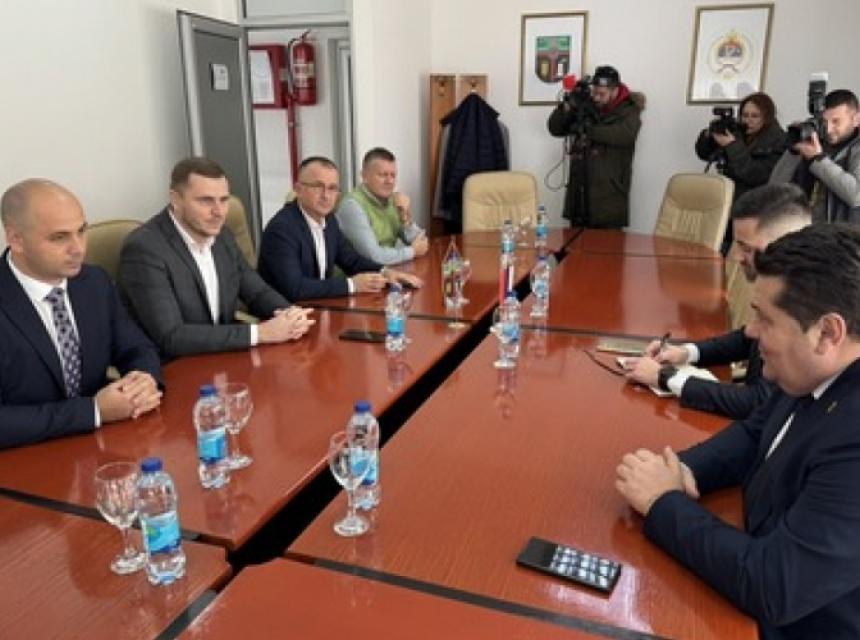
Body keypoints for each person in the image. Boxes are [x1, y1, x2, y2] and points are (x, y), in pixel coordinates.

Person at [616, 223, 860, 639]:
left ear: (826, 333)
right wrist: (683, 471)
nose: (749, 331)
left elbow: (773, 584)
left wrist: (662, 502)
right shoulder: (813, 372)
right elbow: (755, 433)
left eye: (764, 318)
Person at [623, 184, 811, 420]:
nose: (736, 257)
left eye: (746, 248)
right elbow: (748, 339)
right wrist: (686, 353)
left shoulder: (810, 303)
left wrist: (666, 378)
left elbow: (760, 402)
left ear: (785, 243)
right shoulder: (780, 283)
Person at [0, 179, 162, 449]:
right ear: (16, 239)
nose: (78, 249)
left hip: (101, 447)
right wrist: (93, 411)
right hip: (25, 457)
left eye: (81, 231)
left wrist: (143, 380)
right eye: (59, 237)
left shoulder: (94, 282)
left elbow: (136, 347)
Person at [118, 157, 314, 361]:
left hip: (223, 358)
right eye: (206, 201)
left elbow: (257, 292)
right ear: (176, 199)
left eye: (224, 200)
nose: (219, 212)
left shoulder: (223, 237)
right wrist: (260, 333)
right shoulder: (145, 249)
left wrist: (290, 315)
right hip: (177, 367)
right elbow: (171, 336)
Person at [259, 156, 423, 301]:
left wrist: (385, 272)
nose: (326, 195)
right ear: (298, 190)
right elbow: (294, 288)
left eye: (332, 188)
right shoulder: (281, 229)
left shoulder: (329, 220)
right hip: (284, 314)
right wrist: (351, 285)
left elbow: (352, 260)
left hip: (317, 306)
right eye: (318, 186)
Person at [547, 65, 644, 229]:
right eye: (594, 92)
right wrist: (567, 106)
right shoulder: (585, 105)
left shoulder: (629, 110)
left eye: (602, 94)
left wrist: (588, 130)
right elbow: (555, 129)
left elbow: (624, 135)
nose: (596, 98)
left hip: (609, 200)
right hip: (579, 198)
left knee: (608, 245)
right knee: (575, 245)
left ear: (615, 90)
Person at [695, 92, 787, 252]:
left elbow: (756, 174)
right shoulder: (738, 132)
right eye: (745, 115)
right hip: (728, 206)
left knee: (740, 256)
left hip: (757, 212)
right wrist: (709, 135)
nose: (748, 121)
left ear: (766, 118)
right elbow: (704, 153)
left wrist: (732, 146)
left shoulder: (779, 140)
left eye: (754, 116)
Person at [771, 89, 860, 224]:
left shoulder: (856, 148)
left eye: (836, 121)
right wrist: (793, 150)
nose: (829, 129)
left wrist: (817, 159)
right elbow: (774, 186)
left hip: (842, 233)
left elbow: (856, 195)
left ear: (856, 120)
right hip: (805, 228)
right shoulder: (814, 142)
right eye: (824, 122)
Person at [336, 147, 428, 265]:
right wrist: (412, 251)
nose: (389, 181)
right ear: (364, 176)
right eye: (383, 175)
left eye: (393, 175)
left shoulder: (393, 200)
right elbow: (374, 256)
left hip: (385, 271)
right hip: (356, 274)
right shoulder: (352, 206)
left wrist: (405, 216)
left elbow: (421, 242)